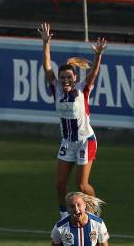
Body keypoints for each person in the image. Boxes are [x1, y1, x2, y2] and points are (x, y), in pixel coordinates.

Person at [38, 22, 108, 219]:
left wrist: (98, 55)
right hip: (68, 142)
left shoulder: (83, 90)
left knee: (81, 185)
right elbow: (46, 65)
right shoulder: (56, 89)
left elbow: (93, 73)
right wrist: (46, 43)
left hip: (86, 140)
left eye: (69, 77)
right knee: (60, 184)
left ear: (75, 77)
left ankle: (95, 215)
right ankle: (63, 216)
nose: (65, 80)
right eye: (62, 77)